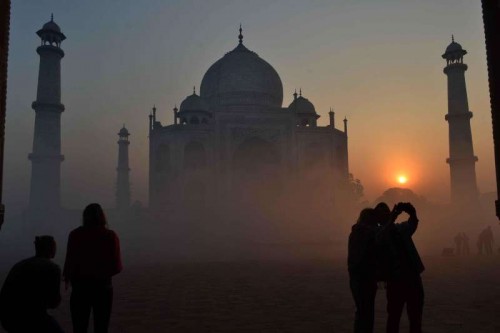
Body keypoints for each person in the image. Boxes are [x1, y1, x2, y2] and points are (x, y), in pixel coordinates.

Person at [63, 203, 122, 333]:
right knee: (101, 326)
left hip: (80, 287)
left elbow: (70, 261)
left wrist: (69, 277)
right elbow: (117, 266)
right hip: (103, 287)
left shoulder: (75, 235)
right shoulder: (110, 236)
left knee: (79, 326)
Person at [375, 202, 425, 333]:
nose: (386, 215)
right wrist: (391, 219)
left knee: (415, 316)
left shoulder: (400, 229)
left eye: (387, 212)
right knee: (394, 317)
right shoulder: (378, 232)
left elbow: (412, 224)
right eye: (383, 214)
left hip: (412, 277)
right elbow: (380, 239)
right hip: (395, 279)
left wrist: (412, 212)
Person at [0, 236, 64, 333]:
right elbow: (53, 302)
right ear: (51, 249)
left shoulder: (19, 265)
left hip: (8, 319)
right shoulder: (53, 268)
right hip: (31, 320)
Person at [348, 208, 379, 333]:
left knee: (362, 311)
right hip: (364, 277)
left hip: (357, 277)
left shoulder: (356, 232)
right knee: (366, 312)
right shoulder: (365, 232)